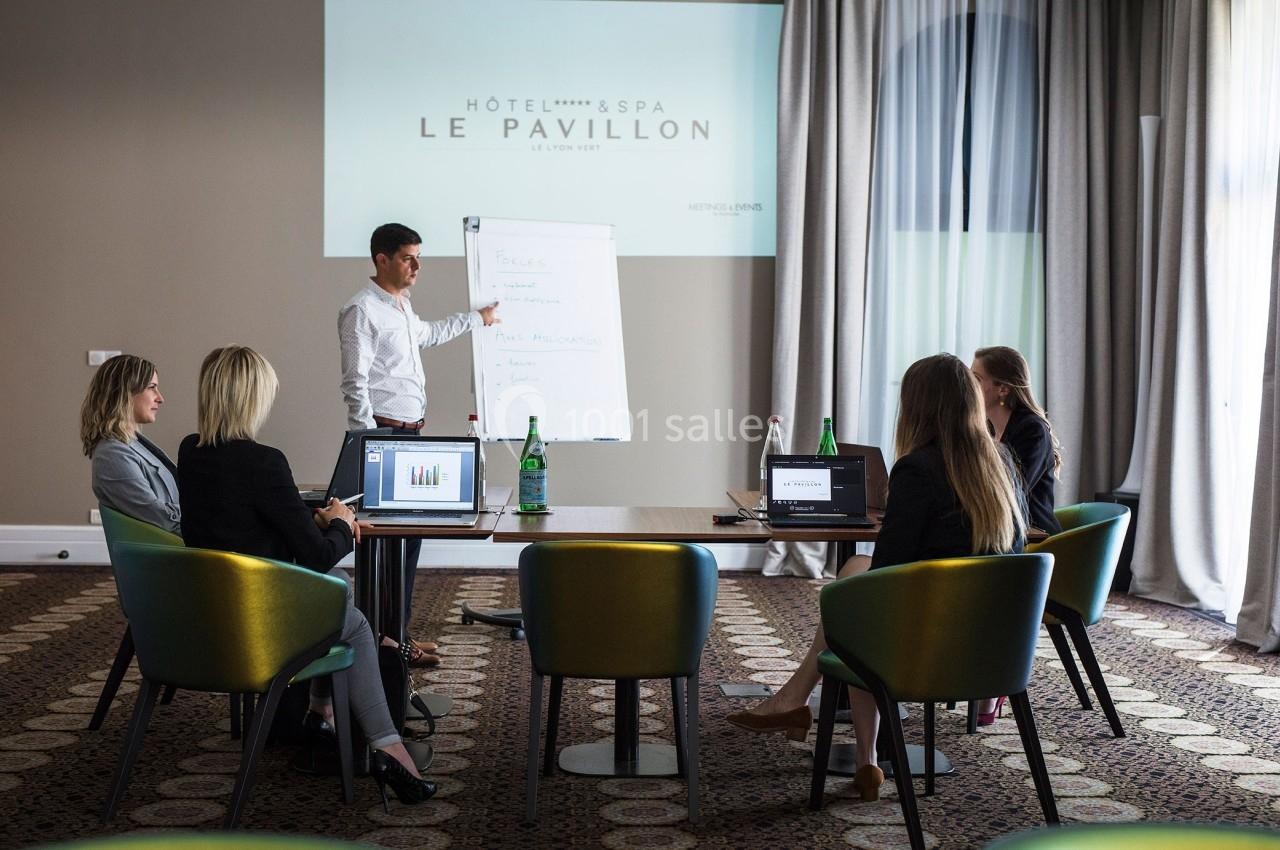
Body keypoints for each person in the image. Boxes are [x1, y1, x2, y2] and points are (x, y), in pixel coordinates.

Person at [726, 353, 1026, 801]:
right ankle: (830, 731)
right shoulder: (1000, 461)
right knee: (854, 578)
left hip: (924, 647)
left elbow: (888, 569)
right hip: (992, 646)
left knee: (856, 598)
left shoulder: (919, 468)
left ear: (916, 406)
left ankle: (848, 742)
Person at [178, 345, 435, 806]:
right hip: (264, 621)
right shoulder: (265, 461)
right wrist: (341, 524)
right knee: (352, 619)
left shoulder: (191, 452)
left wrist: (308, 515)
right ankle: (388, 748)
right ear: (253, 398)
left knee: (341, 594)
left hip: (213, 612)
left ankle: (321, 712)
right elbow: (317, 557)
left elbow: (240, 513)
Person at [338, 222, 500, 666]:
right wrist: (369, 447)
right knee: (387, 544)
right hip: (384, 438)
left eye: (418, 257)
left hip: (410, 434)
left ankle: (399, 634)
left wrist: (477, 319)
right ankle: (387, 642)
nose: (417, 266)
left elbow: (428, 334)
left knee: (409, 540)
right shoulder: (361, 311)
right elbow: (356, 385)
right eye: (408, 257)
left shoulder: (401, 307)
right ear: (382, 259)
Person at [80, 354, 181, 534]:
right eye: (152, 388)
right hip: (171, 553)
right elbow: (162, 520)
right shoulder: (112, 454)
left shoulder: (131, 444)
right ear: (124, 394)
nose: (160, 398)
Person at [971, 346, 1063, 534]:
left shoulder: (1032, 430)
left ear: (1003, 389)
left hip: (1034, 539)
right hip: (1003, 533)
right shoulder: (985, 429)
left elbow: (1010, 492)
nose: (969, 386)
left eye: (976, 379)